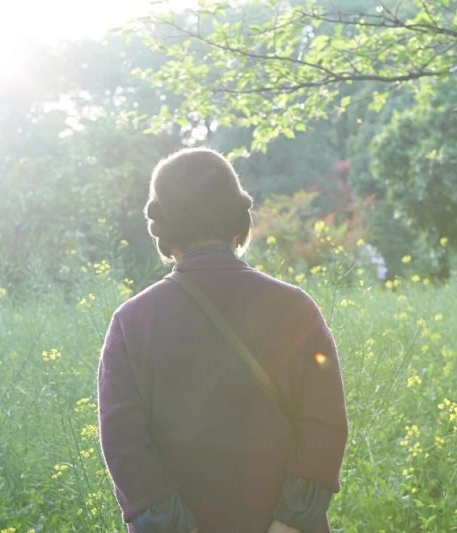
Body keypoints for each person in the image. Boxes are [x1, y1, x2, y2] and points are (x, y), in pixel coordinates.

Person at [98, 147, 348, 533]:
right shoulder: (295, 308)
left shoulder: (132, 322)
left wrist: (174, 525)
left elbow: (124, 445)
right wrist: (290, 521)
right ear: (239, 218)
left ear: (162, 229)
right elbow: (325, 424)